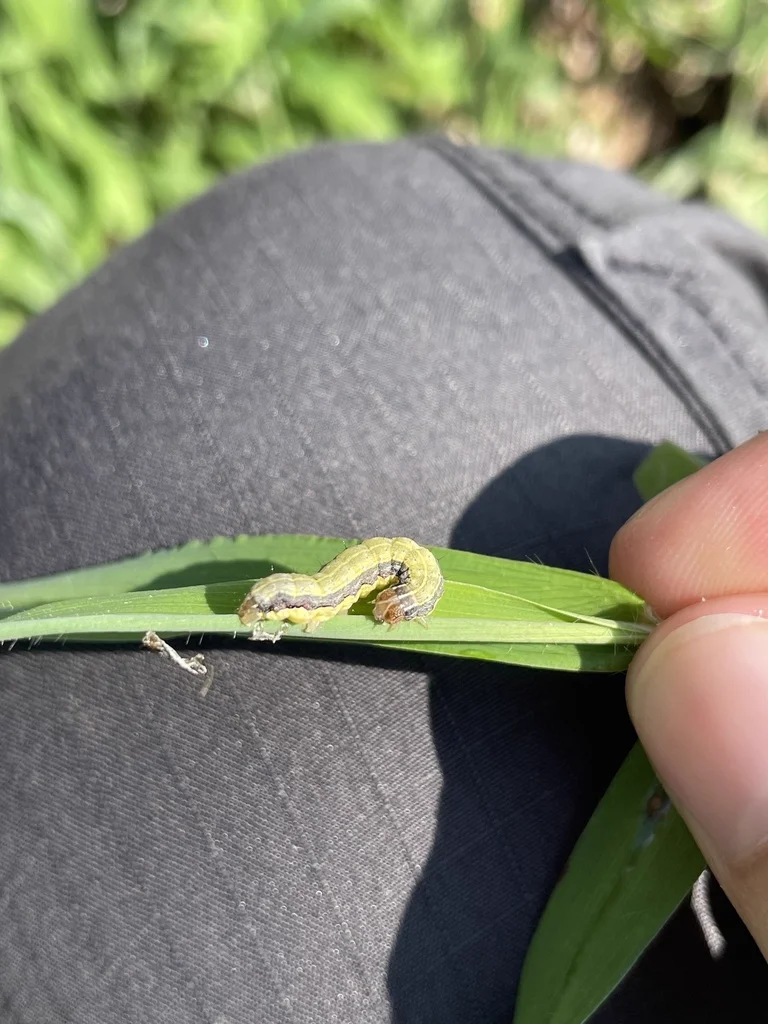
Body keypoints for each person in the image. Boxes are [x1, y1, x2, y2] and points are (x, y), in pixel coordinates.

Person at [1, 137, 766, 1023]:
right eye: (397, 605)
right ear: (381, 594)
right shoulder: (346, 590)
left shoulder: (387, 584)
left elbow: (397, 584)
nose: (397, 615)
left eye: (399, 606)